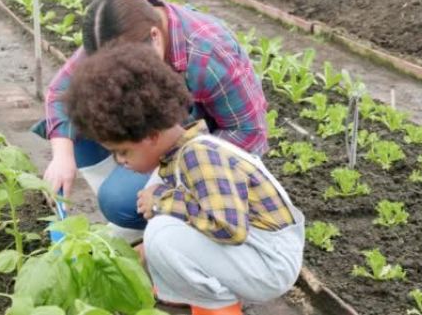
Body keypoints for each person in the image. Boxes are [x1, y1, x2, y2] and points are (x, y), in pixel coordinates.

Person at [63, 43, 305, 315]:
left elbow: (227, 227)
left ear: (151, 136)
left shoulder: (200, 156)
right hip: (255, 249)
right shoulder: (178, 154)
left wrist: (162, 201)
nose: (121, 161)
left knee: (162, 234)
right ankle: (191, 293)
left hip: (270, 261)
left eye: (122, 152)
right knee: (160, 230)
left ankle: (219, 308)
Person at [32, 0, 268, 234]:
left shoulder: (208, 53)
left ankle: (161, 224)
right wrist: (62, 156)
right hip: (153, 135)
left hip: (200, 148)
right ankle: (141, 210)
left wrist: (174, 180)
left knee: (120, 201)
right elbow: (61, 92)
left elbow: (249, 132)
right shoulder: (115, 36)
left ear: (155, 36)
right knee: (80, 118)